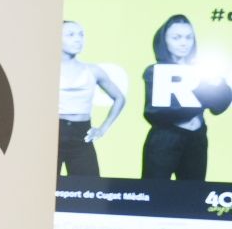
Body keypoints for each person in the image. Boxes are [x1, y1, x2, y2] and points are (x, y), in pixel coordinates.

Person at [140, 14, 230, 183]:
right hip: (164, 141)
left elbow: (218, 107)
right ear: (164, 40)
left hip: (197, 139)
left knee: (193, 197)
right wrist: (201, 100)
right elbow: (155, 113)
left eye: (189, 37)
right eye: (176, 37)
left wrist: (219, 84)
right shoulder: (155, 71)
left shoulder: (202, 69)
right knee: (154, 195)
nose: (184, 43)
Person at [58, 21, 124, 177]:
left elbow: (119, 98)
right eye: (71, 35)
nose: (78, 39)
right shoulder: (44, 69)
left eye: (81, 35)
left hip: (82, 134)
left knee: (89, 189)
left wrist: (103, 128)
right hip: (52, 133)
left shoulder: (93, 70)